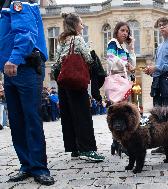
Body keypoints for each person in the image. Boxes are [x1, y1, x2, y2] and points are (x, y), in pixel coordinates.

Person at [0, 0, 55, 185]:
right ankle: (26, 165)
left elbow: (26, 32)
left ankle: (39, 167)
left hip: (23, 65)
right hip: (9, 68)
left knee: (30, 118)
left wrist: (14, 58)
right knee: (16, 120)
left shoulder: (18, 1)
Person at [54, 13, 104, 162]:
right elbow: (88, 58)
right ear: (75, 25)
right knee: (82, 115)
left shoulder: (61, 41)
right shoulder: (78, 39)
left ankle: (74, 148)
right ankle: (87, 149)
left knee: (68, 114)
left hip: (63, 81)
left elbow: (56, 63)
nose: (82, 26)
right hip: (76, 80)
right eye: (81, 24)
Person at [144, 17, 168, 154]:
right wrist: (151, 71)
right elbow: (158, 68)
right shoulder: (159, 46)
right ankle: (163, 144)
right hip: (159, 82)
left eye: (164, 25)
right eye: (159, 25)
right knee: (159, 115)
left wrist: (157, 68)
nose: (161, 27)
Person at [106, 21, 136, 155]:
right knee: (118, 112)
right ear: (116, 31)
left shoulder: (123, 48)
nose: (125, 33)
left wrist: (131, 48)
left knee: (123, 112)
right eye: (122, 30)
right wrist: (125, 63)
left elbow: (132, 64)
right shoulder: (113, 43)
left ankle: (119, 142)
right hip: (116, 81)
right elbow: (111, 59)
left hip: (123, 80)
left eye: (127, 31)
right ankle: (117, 142)